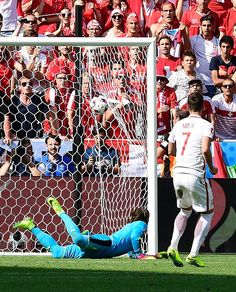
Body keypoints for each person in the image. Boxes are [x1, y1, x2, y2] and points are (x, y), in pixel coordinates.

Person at [13, 197, 160, 260]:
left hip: (96, 253)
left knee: (57, 253)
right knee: (78, 239)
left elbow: (130, 250)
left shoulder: (131, 225)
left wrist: (145, 255)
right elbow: (135, 239)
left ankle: (31, 226)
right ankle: (61, 212)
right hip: (106, 243)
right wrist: (140, 254)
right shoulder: (141, 224)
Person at [167, 92, 218, 267]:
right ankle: (193, 253)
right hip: (195, 173)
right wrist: (212, 167)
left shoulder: (178, 125)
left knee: (185, 211)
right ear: (203, 108)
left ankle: (173, 246)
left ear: (187, 107)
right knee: (208, 212)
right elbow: (205, 149)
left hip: (178, 173)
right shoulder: (206, 125)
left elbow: (170, 150)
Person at [3, 76, 57, 143]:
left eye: (30, 83)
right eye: (24, 84)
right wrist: (8, 136)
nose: (27, 86)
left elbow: (50, 116)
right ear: (19, 87)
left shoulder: (38, 100)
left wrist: (55, 135)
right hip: (16, 138)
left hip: (34, 138)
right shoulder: (14, 101)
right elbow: (7, 119)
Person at [189, 15, 220, 98]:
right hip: (199, 83)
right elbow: (187, 54)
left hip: (214, 82)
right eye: (204, 25)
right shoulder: (193, 40)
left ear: (213, 27)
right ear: (200, 26)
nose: (206, 28)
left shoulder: (218, 42)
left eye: (209, 25)